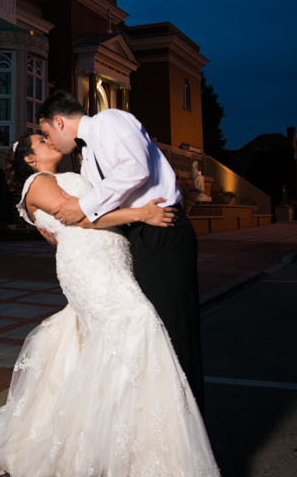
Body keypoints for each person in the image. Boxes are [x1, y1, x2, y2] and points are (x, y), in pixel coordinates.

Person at [0, 132, 226, 477]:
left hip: (109, 258)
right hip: (91, 269)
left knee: (117, 347)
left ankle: (132, 457)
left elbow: (66, 223)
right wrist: (142, 214)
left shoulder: (56, 176)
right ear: (30, 160)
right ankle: (136, 464)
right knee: (140, 328)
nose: (47, 140)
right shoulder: (38, 184)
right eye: (39, 141)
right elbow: (76, 214)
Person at [37, 90, 205, 412]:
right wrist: (67, 226)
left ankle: (191, 428)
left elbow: (136, 168)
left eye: (47, 134)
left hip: (163, 231)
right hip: (138, 237)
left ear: (59, 121)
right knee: (154, 336)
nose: (51, 142)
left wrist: (83, 206)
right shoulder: (86, 163)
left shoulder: (110, 121)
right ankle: (163, 420)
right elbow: (99, 210)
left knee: (177, 333)